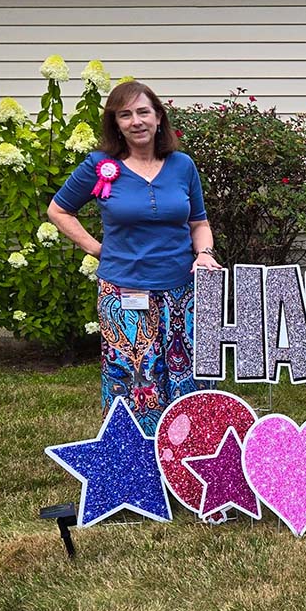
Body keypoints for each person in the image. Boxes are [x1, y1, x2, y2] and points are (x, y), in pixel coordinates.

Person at [48, 81, 221, 436]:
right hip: (123, 291)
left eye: (143, 112)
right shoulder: (99, 165)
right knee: (134, 379)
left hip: (181, 293)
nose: (136, 121)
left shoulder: (182, 165)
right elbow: (59, 210)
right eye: (125, 114)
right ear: (116, 123)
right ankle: (138, 464)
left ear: (159, 117)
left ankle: (188, 456)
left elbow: (199, 223)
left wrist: (203, 253)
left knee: (186, 375)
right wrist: (97, 248)